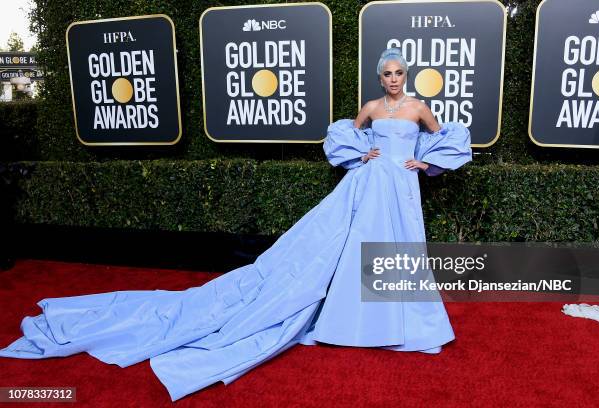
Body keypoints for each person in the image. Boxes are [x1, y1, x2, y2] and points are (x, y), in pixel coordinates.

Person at [0, 48, 472, 401]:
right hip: (368, 185)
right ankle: (354, 319)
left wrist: (419, 161)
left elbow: (445, 138)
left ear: (406, 76)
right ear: (380, 76)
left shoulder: (417, 108)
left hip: (400, 187)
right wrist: (366, 152)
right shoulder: (370, 106)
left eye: (398, 74)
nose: (392, 80)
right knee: (352, 250)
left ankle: (402, 321)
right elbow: (346, 134)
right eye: (387, 74)